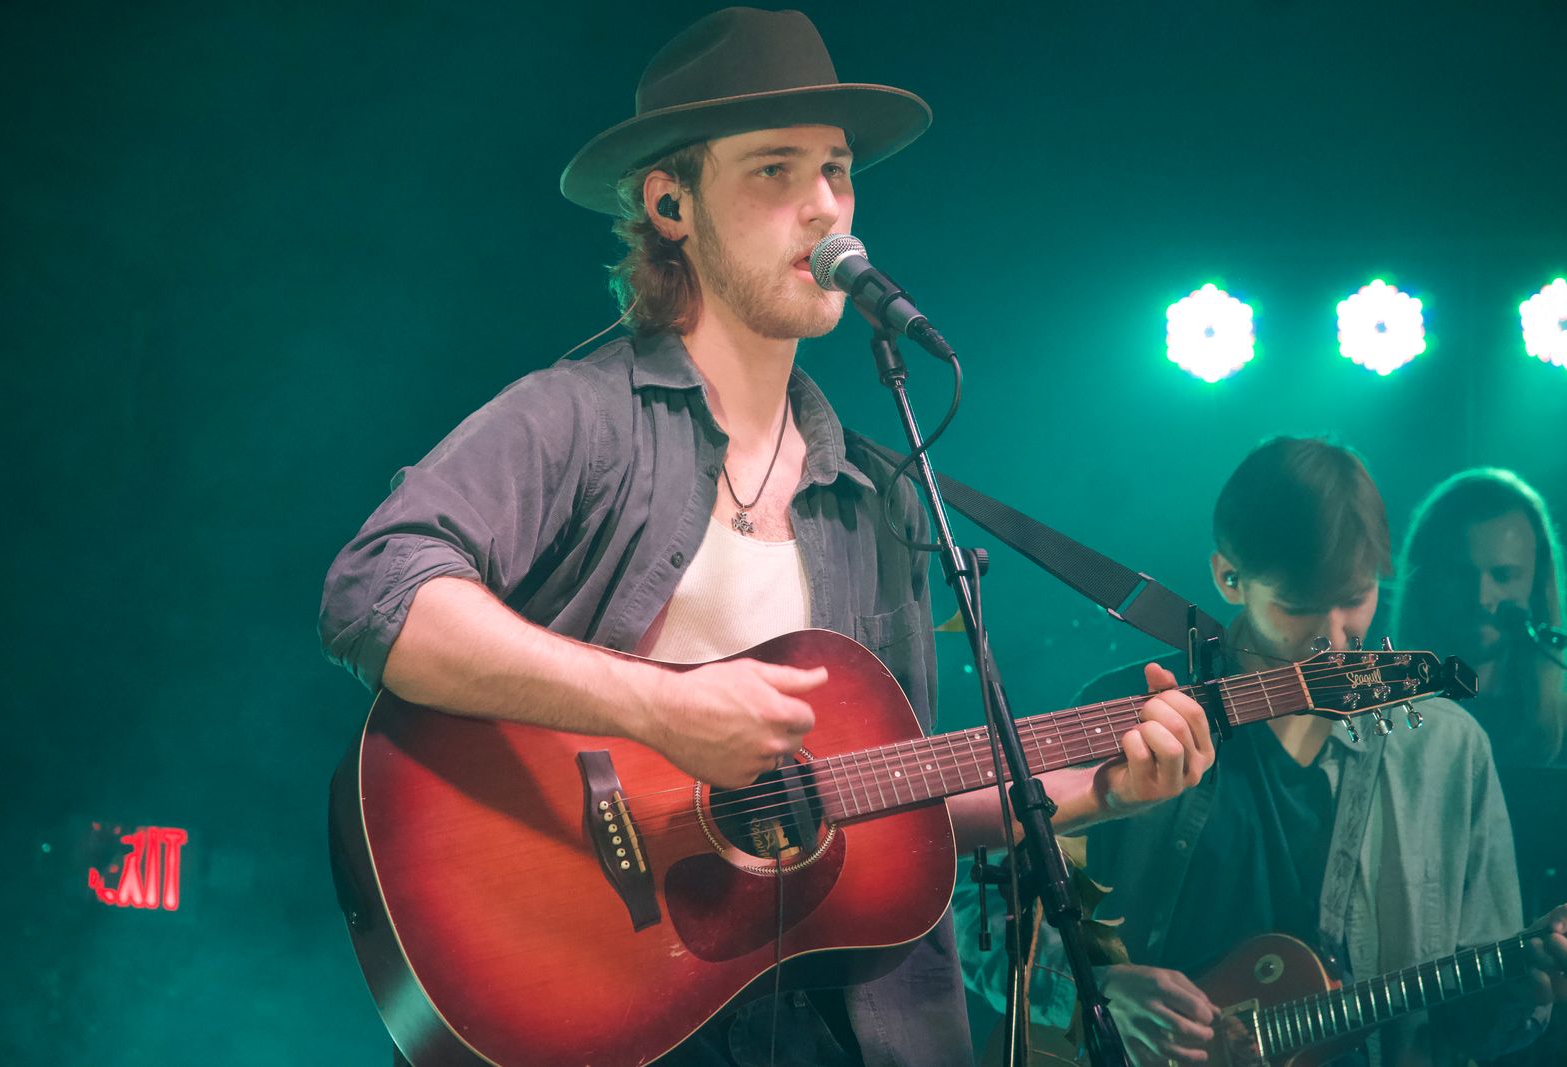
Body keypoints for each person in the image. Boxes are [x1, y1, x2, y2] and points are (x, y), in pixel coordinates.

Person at [318, 9, 1215, 1065]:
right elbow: (375, 591)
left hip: (829, 1022)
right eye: (774, 171)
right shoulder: (578, 417)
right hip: (603, 994)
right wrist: (663, 708)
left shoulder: (880, 496)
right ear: (671, 204)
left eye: (836, 171)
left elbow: (880, 798)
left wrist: (1091, 792)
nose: (824, 207)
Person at [992, 438, 1566, 1067]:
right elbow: (983, 919)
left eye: (1356, 597)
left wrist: (1525, 983)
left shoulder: (1448, 747)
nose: (1333, 638)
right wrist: (1094, 993)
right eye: (1298, 607)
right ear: (1227, 576)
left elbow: (1475, 1024)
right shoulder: (1127, 713)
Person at [1393, 468, 1567, 1066]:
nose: (1482, 597)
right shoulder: (1390, 724)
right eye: (1461, 574)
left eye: (1504, 575)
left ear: (1537, 582)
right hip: (1435, 1018)